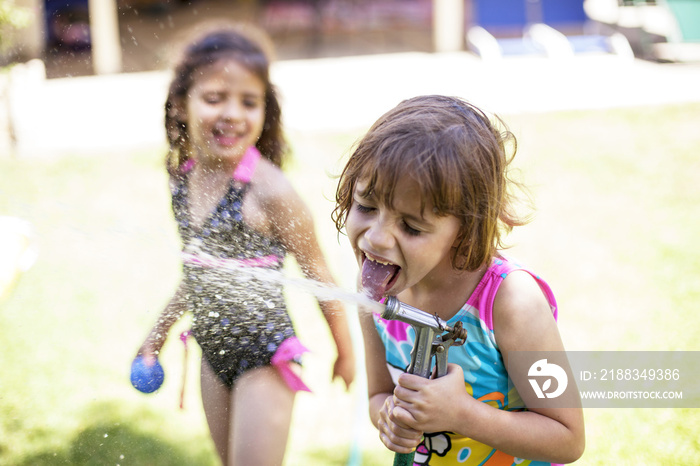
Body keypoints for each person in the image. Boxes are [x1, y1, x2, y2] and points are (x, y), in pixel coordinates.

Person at [136, 24, 355, 466]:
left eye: (248, 102)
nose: (232, 113)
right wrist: (155, 337)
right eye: (215, 98)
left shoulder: (271, 192)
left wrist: (345, 353)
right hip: (212, 352)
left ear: (264, 112)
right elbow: (198, 272)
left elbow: (320, 275)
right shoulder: (182, 182)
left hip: (266, 356)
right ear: (181, 105)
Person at [332, 95, 584, 465]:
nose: (376, 238)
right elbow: (378, 396)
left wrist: (462, 414)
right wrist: (388, 417)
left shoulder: (511, 302)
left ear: (466, 230)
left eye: (412, 226)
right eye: (366, 207)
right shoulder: (375, 291)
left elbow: (568, 437)